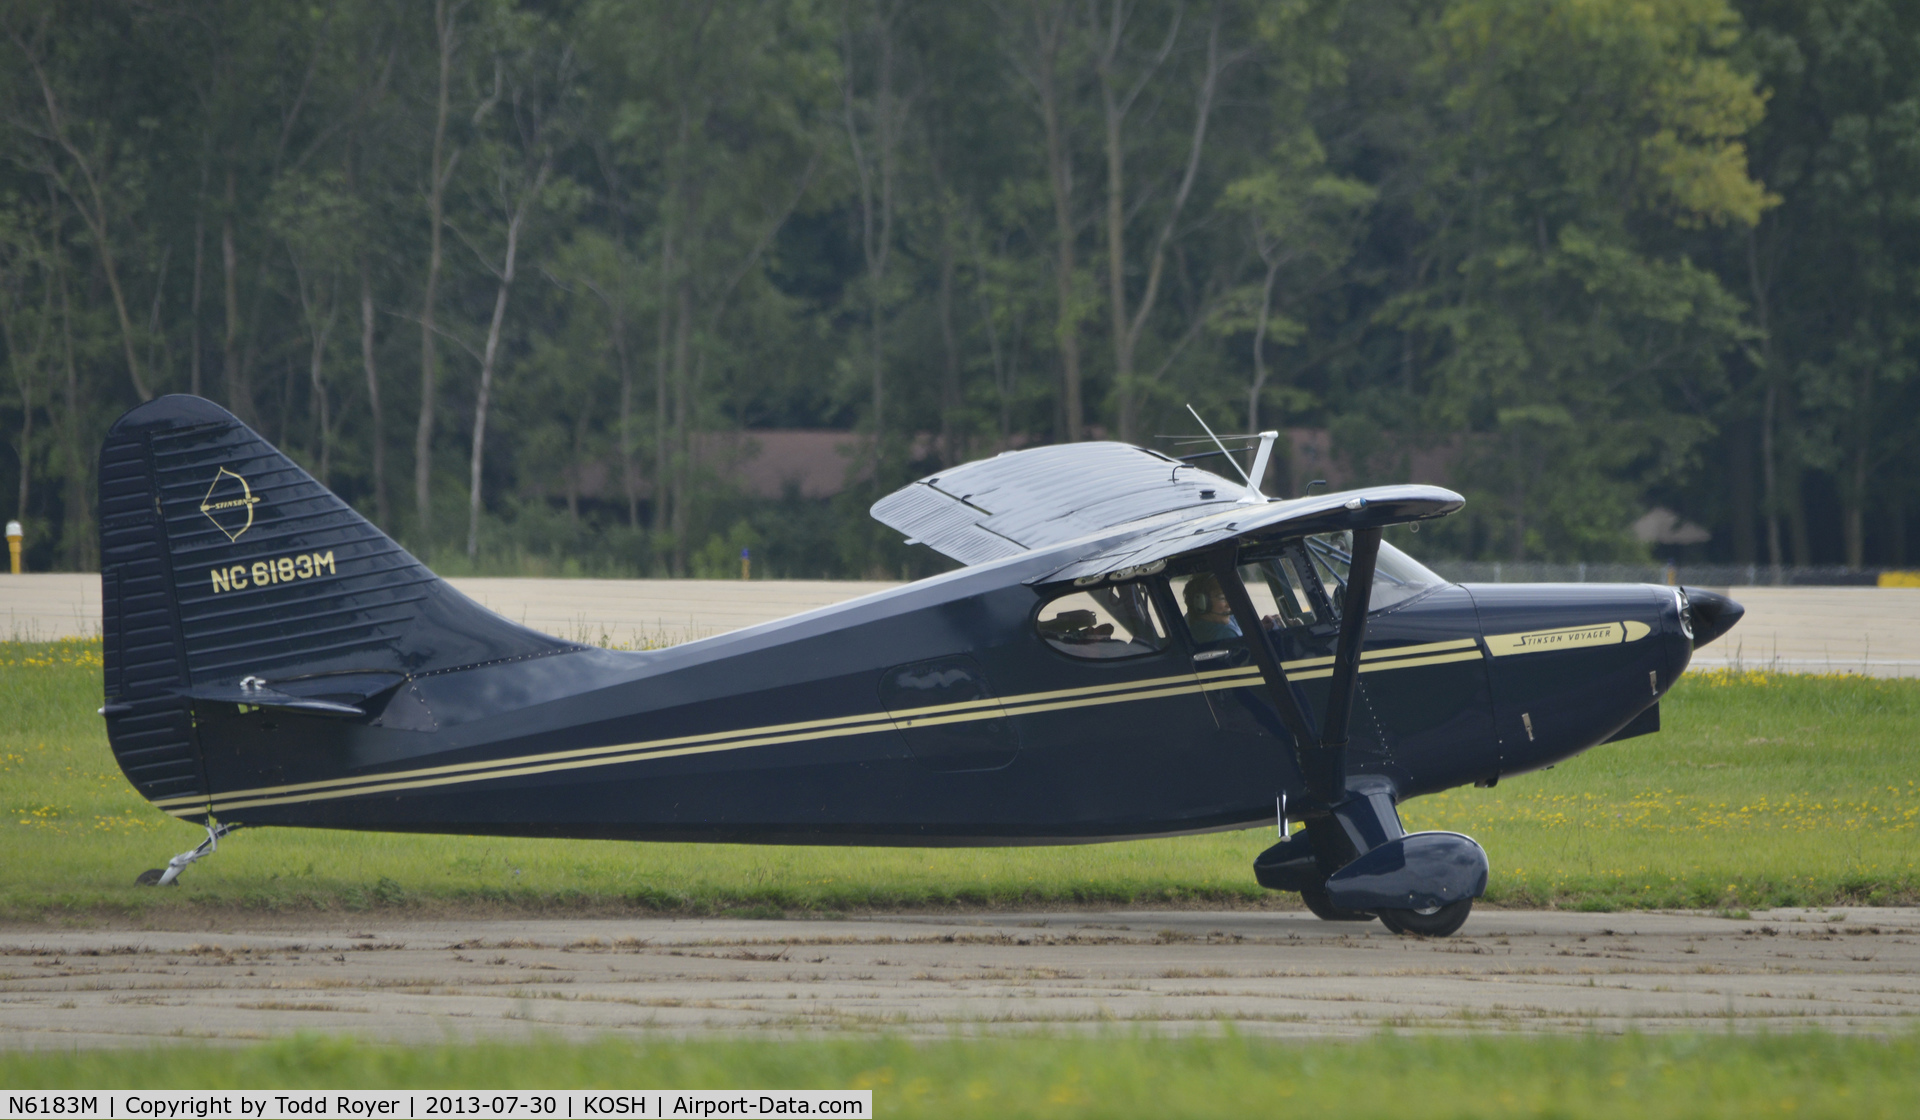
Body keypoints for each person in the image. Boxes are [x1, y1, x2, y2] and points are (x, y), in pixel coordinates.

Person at [1182, 573, 1242, 643]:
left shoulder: (1189, 622)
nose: (1229, 606)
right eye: (1222, 598)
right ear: (1201, 602)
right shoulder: (1225, 633)